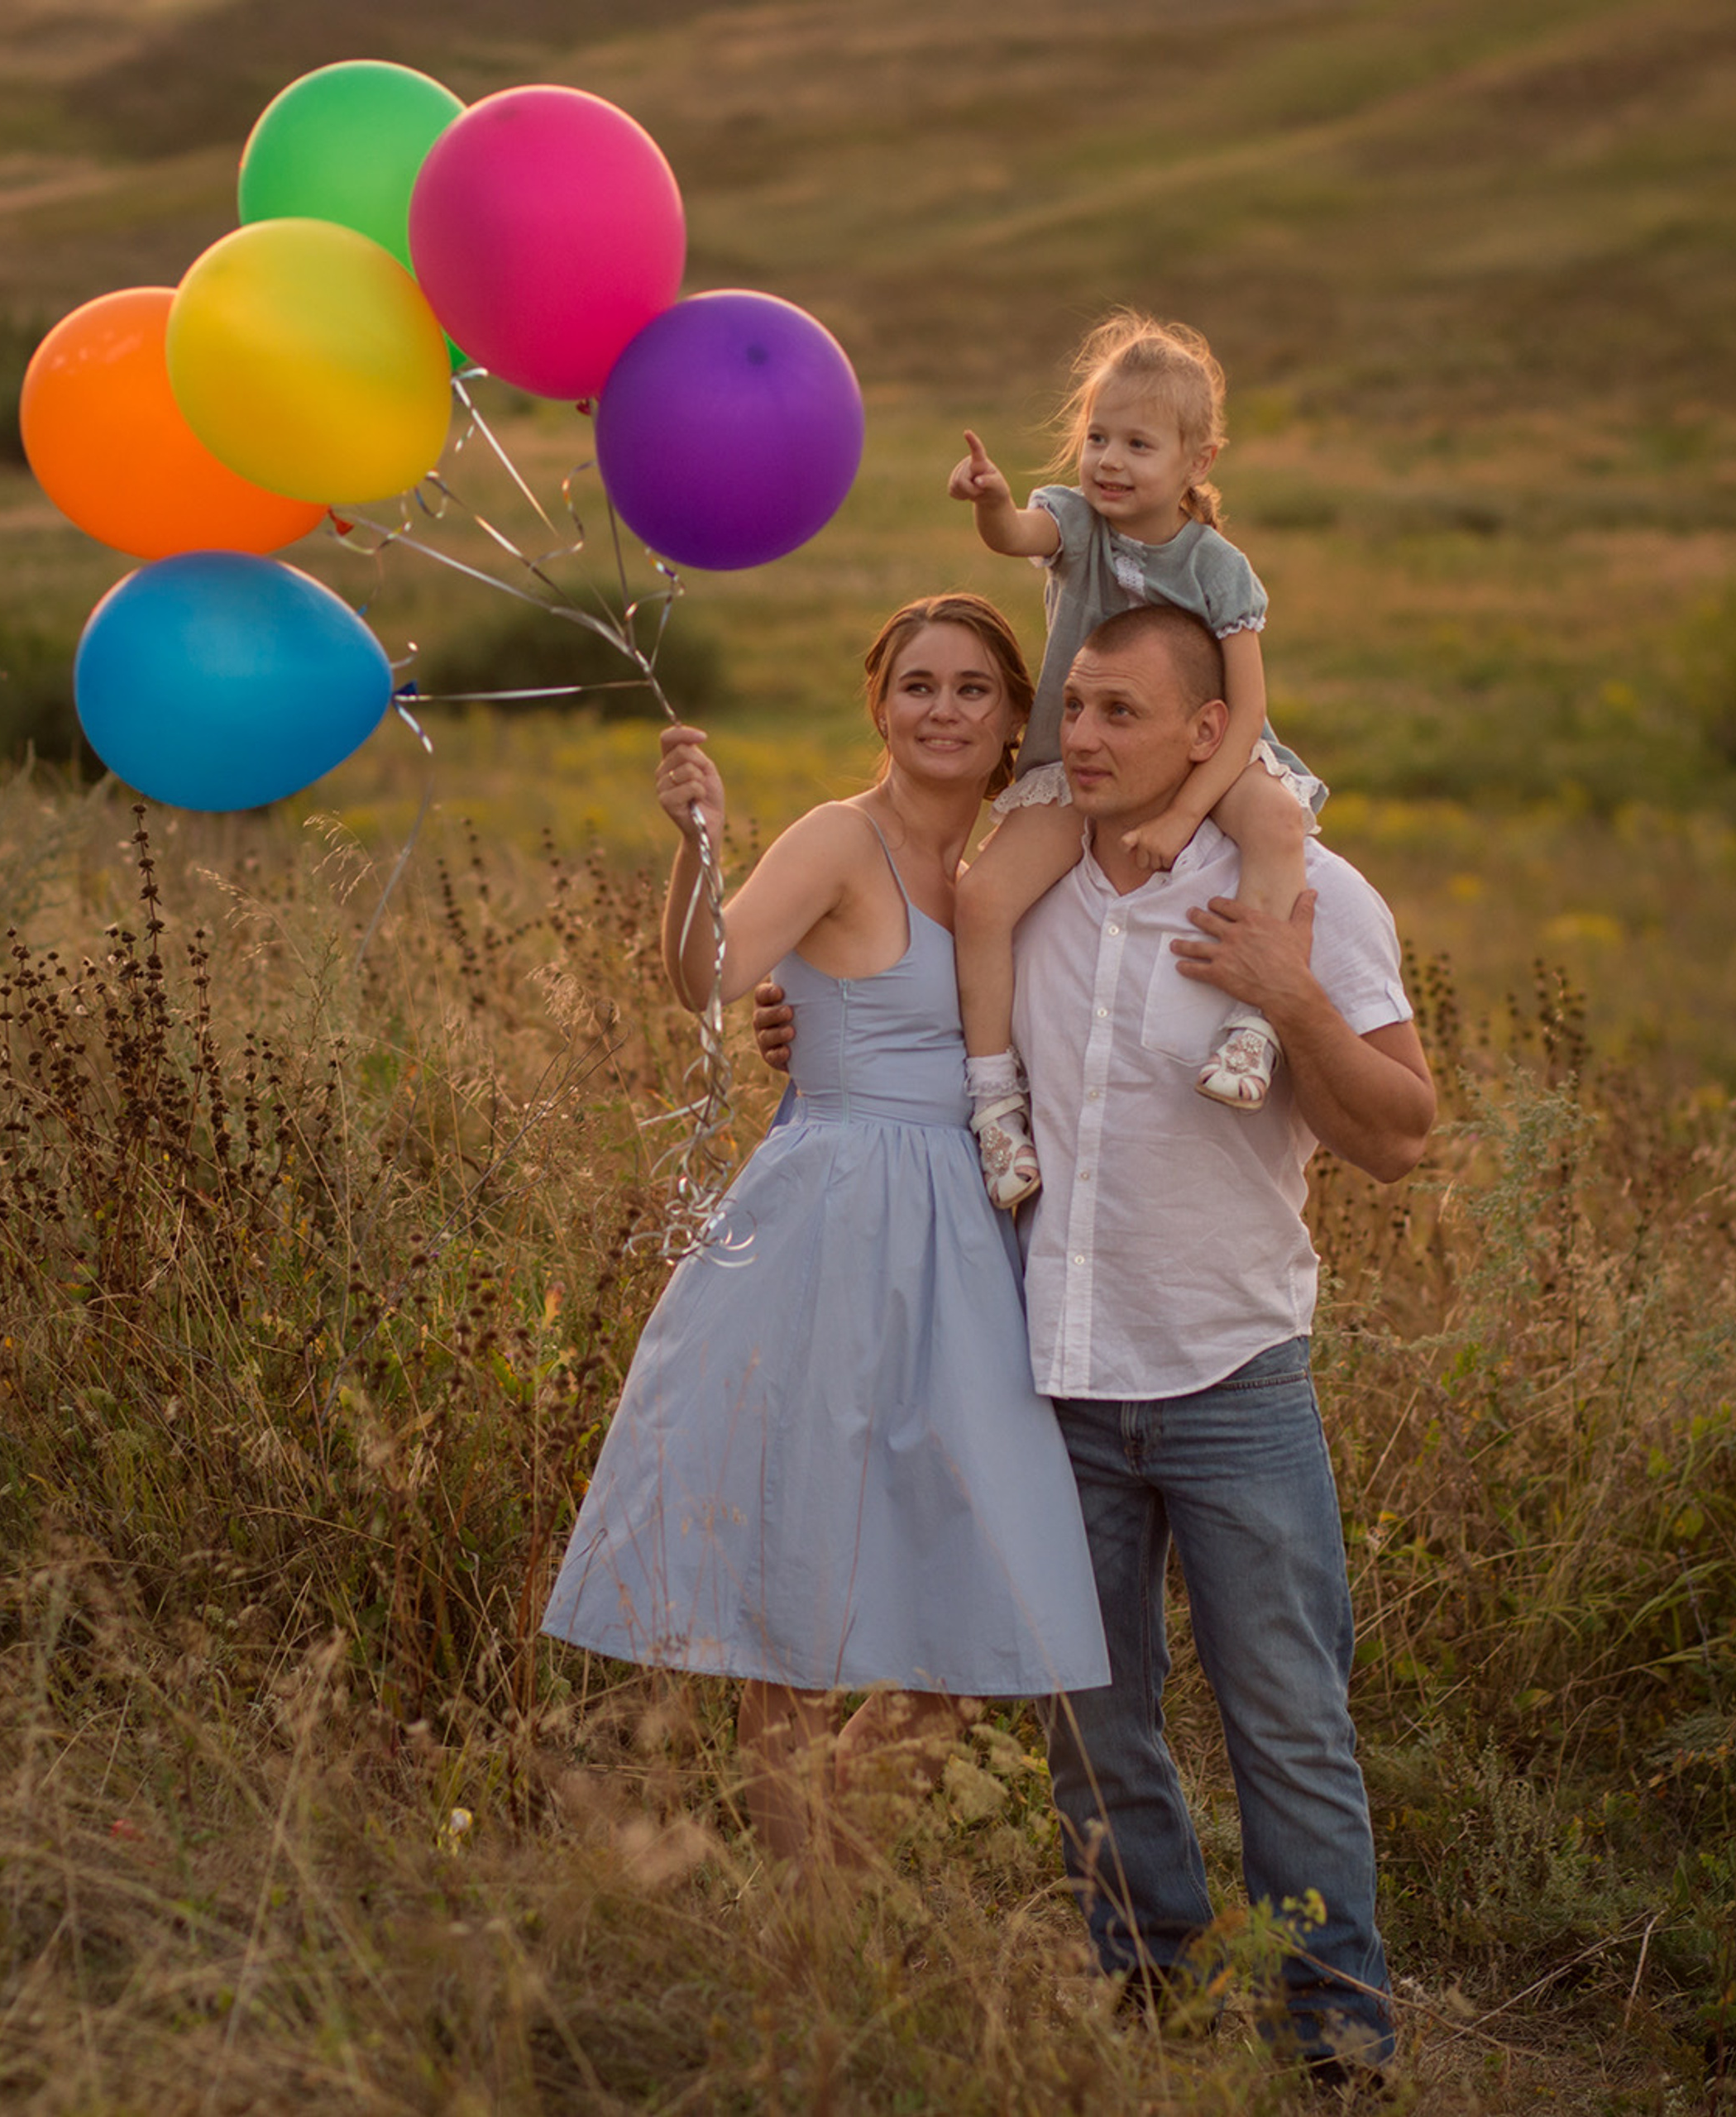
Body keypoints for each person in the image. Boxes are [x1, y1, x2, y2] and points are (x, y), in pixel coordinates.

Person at [757, 604, 1433, 2077]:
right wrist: (789, 1025)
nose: (1084, 737)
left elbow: (1401, 1136)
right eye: (1074, 708)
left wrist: (1289, 996)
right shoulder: (1029, 888)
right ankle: (1153, 1994)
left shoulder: (1311, 892)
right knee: (1093, 1724)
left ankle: (1335, 2035)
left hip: (1233, 1373)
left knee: (1289, 1724)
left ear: (1210, 731)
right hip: (1051, 1379)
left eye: (1123, 712)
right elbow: (901, 1025)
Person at [543, 595, 1109, 1866]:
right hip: (835, 1229)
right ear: (880, 706)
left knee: (987, 1599)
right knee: (799, 1592)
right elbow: (710, 974)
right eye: (918, 685)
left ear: (1015, 719)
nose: (943, 710)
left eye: (972, 688)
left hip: (976, 1251)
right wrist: (698, 844)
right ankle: (813, 1928)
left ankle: (832, 1855)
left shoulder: (1028, 860)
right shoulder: (839, 841)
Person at [945, 310, 1326, 1209]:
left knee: (1277, 822)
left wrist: (1186, 812)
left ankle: (1249, 1031)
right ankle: (996, 1104)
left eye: (1138, 445)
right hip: (1080, 753)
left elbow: (1246, 711)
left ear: (1198, 461)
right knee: (984, 898)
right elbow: (1015, 536)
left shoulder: (1217, 567)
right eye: (1098, 438)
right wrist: (991, 500)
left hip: (1205, 752)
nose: (1109, 461)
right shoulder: (1078, 523)